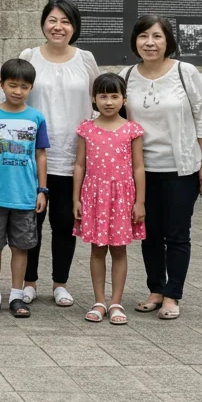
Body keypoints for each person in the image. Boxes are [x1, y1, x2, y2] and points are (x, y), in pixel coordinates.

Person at [120, 16, 202, 320]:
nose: (150, 43)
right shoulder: (126, 75)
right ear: (135, 41)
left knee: (176, 233)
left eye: (157, 37)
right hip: (140, 169)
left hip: (180, 168)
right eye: (144, 36)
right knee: (148, 232)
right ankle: (155, 290)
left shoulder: (185, 72)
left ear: (168, 41)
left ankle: (173, 294)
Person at [19, 0, 99, 308]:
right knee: (31, 222)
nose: (58, 27)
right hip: (32, 156)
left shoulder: (85, 59)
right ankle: (29, 281)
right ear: (43, 23)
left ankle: (60, 283)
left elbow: (100, 100)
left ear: (74, 27)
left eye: (65, 21)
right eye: (52, 20)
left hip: (73, 158)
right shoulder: (29, 57)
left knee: (66, 221)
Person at [0, 58, 49, 319]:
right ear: (2, 85)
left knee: (21, 247)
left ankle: (17, 296)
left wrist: (42, 190)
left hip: (26, 196)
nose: (17, 91)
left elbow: (40, 155)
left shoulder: (36, 118)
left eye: (24, 86)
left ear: (31, 88)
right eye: (12, 85)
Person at [73, 73, 146, 325]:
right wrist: (76, 199)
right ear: (94, 98)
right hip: (94, 196)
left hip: (122, 198)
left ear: (124, 99)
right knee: (96, 250)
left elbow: (138, 167)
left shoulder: (131, 130)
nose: (108, 101)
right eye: (103, 96)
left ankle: (116, 301)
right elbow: (80, 166)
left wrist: (140, 202)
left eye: (114, 96)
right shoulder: (86, 129)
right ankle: (99, 300)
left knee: (119, 250)